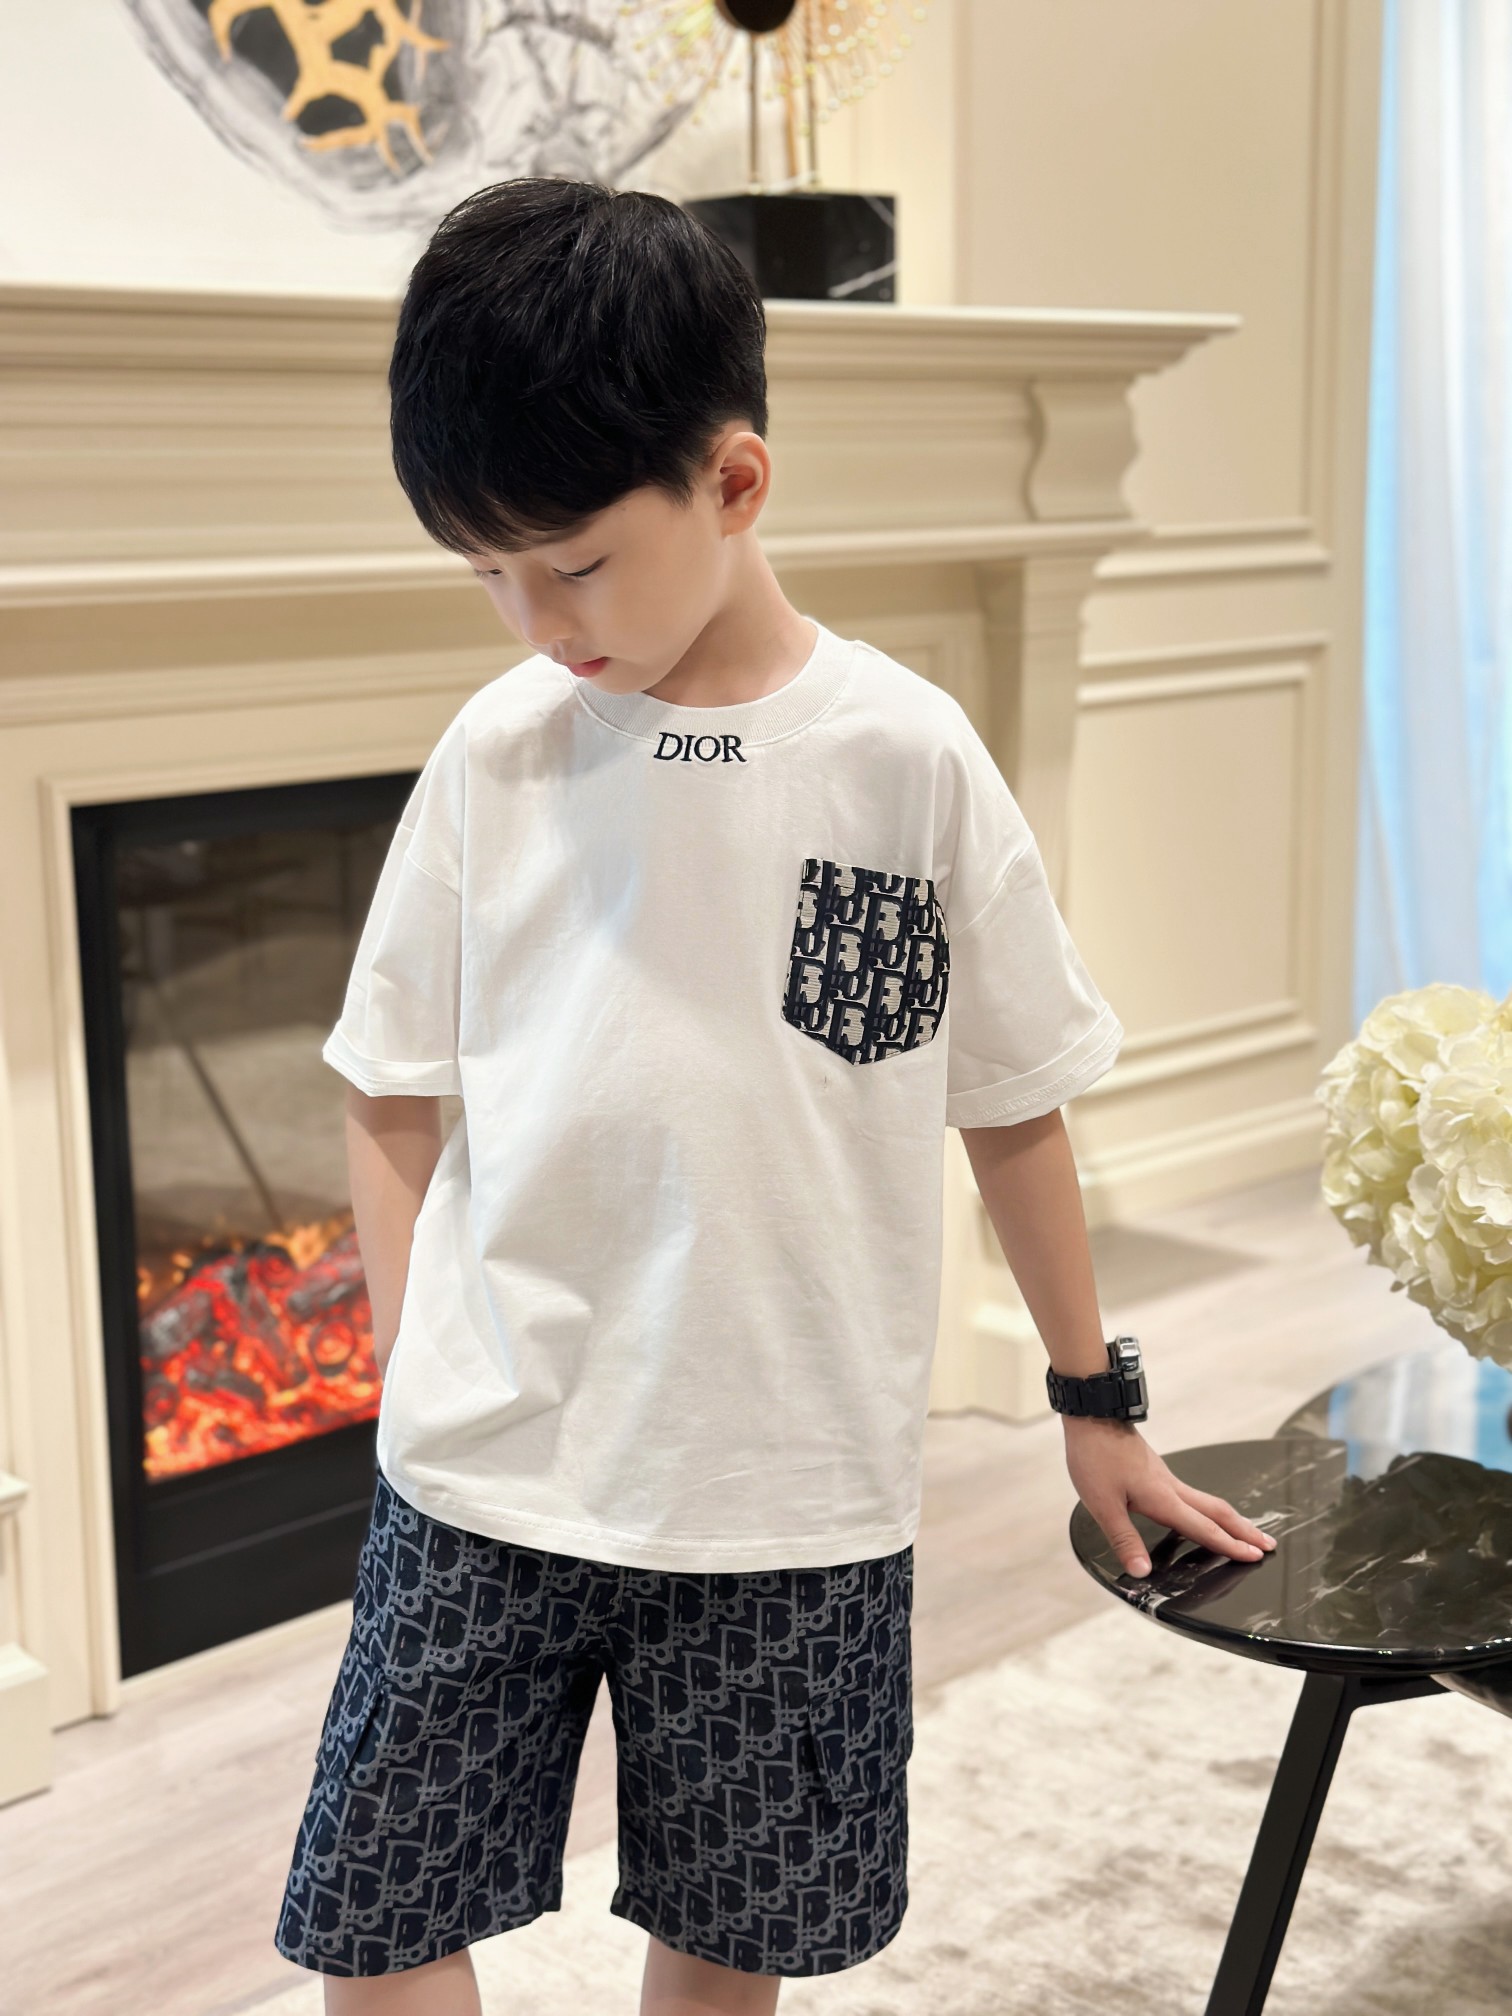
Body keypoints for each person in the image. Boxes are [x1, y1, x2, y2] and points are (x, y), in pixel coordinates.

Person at [273, 176, 1275, 2016]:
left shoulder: (901, 761)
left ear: (733, 483)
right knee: (380, 1912)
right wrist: (413, 1361)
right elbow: (390, 1079)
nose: (530, 619)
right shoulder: (499, 755)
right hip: (487, 1471)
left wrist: (1094, 1405)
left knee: (733, 1939)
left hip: (788, 1500)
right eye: (485, 573)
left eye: (572, 564)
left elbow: (1010, 1104)